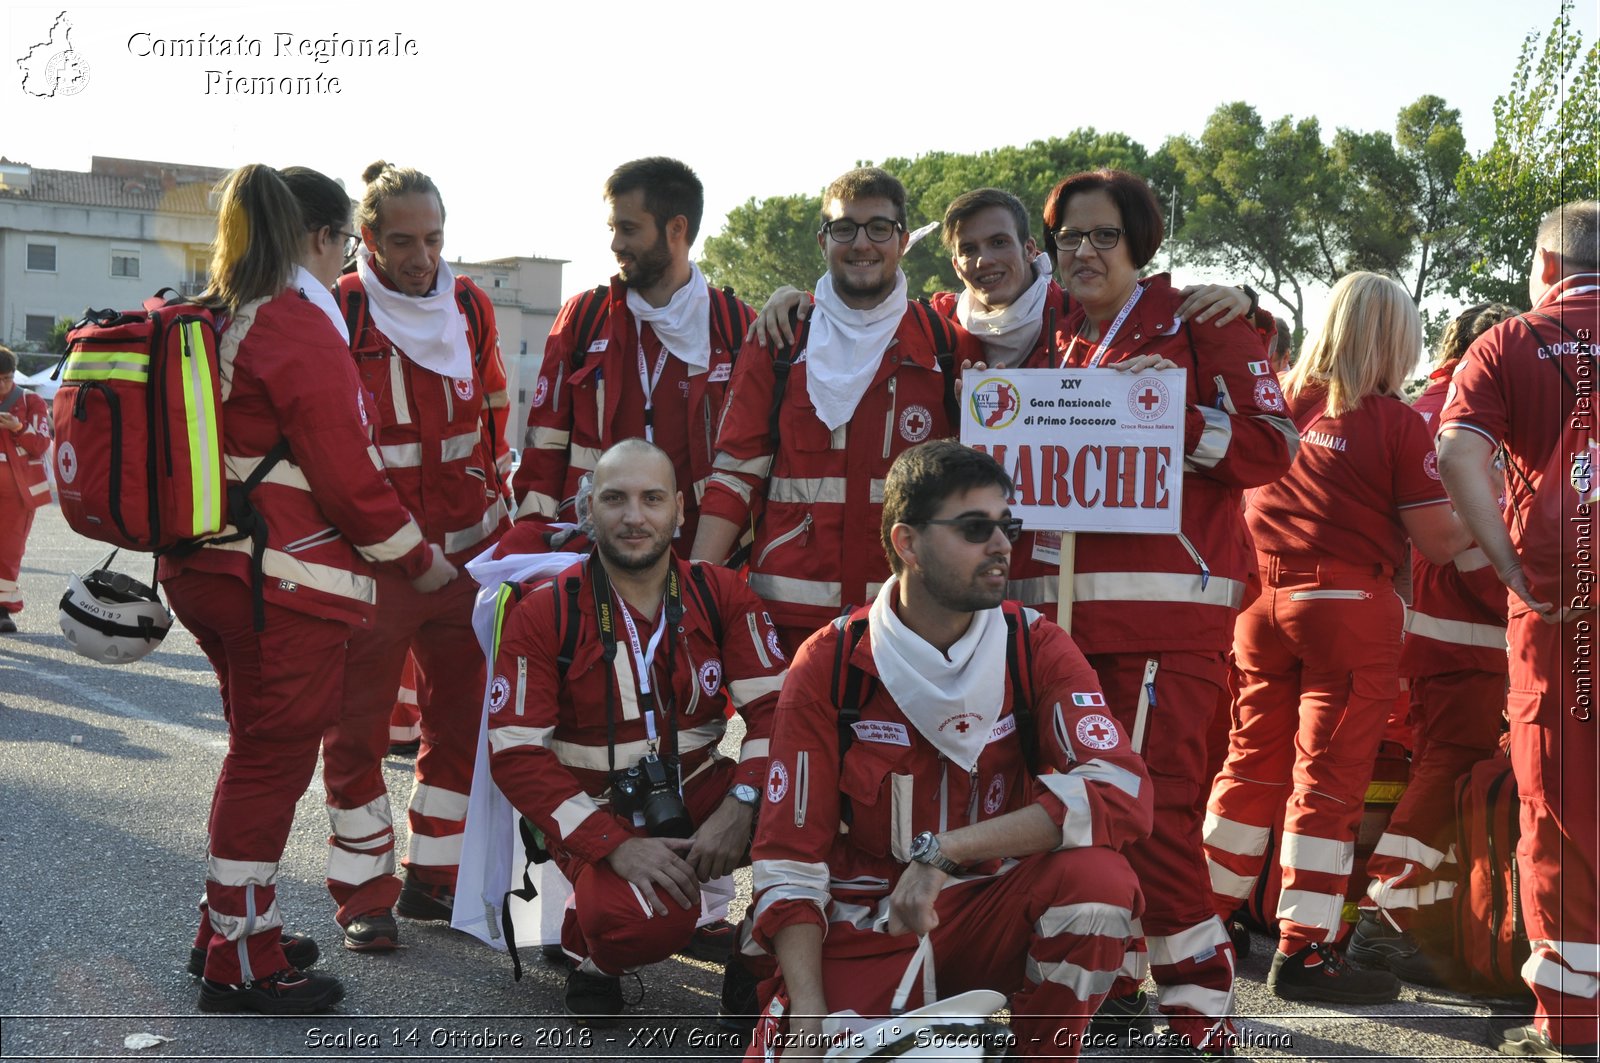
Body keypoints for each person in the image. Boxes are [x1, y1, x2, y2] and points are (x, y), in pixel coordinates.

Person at [745, 440, 1151, 1061]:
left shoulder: (1035, 647)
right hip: (874, 923)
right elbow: (788, 860)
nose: (1000, 545)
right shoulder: (830, 663)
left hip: (993, 912)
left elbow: (1119, 790)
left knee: (1097, 885)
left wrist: (945, 854)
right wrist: (809, 1014)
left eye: (1006, 526)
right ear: (907, 543)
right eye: (974, 528)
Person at [161, 163, 456, 1013]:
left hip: (211, 570)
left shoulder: (226, 309)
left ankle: (230, 928)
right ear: (325, 238)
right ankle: (239, 960)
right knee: (268, 759)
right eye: (341, 252)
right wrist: (418, 559)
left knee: (255, 751)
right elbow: (348, 474)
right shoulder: (295, 320)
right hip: (276, 582)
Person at [1035, 169, 1298, 1057]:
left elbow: (1274, 447)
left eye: (1103, 234)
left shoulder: (1204, 321)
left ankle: (1203, 1018)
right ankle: (1099, 997)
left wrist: (1175, 415)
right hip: (1058, 632)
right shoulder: (1054, 333)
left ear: (1139, 242)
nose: (1083, 250)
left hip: (1163, 632)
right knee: (1074, 820)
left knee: (1155, 823)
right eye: (1069, 236)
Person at [748, 187, 1256, 612]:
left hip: (1129, 596)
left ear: (1031, 249)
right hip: (1002, 591)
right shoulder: (942, 328)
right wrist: (800, 301)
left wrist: (1245, 302)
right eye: (969, 249)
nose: (984, 260)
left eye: (998, 243)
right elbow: (863, 314)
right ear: (954, 263)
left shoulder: (1073, 317)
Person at [1201, 272, 1474, 1006]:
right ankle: (1308, 950)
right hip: (1347, 606)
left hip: (1259, 603)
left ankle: (1207, 921)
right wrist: (1497, 506)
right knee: (1327, 784)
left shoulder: (1281, 400)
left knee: (1248, 766)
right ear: (1393, 339)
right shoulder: (1393, 421)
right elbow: (1440, 542)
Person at [487, 438, 785, 1022]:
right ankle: (597, 950)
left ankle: (755, 956)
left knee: (831, 811)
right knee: (639, 922)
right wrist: (613, 846)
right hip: (599, 808)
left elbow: (780, 713)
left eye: (651, 499)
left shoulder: (718, 592)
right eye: (614, 499)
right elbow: (516, 755)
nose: (633, 516)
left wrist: (743, 802)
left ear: (678, 509)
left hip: (700, 793)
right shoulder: (544, 611)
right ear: (587, 510)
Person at [320, 161, 512, 951]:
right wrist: (396, 548)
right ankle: (364, 891)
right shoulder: (340, 312)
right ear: (366, 238)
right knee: (356, 733)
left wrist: (506, 528)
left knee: (462, 727)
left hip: (467, 561)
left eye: (433, 239)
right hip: (377, 568)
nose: (422, 257)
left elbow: (496, 413)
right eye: (402, 241)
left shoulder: (468, 304)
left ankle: (434, 877)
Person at [690, 166, 983, 653]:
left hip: (904, 620)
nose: (862, 243)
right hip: (786, 621)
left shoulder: (943, 345)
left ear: (903, 240)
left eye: (879, 228)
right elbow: (735, 474)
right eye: (844, 228)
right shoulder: (779, 339)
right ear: (823, 241)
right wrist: (696, 587)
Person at [1438, 200, 1600, 1061]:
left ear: (1543, 266)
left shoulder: (1511, 341)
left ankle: (1570, 1025)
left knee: (1563, 803)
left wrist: (1506, 564)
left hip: (1564, 600)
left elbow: (1458, 450)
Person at [1348, 301, 1517, 984]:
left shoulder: (1424, 405)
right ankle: (1385, 917)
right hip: (1467, 632)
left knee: (1434, 775)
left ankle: (1416, 918)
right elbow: (1475, 540)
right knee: (1447, 771)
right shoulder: (1480, 417)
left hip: (1418, 627)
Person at [512, 157, 752, 551]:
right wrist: (537, 547)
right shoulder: (584, 318)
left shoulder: (736, 327)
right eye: (612, 228)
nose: (615, 244)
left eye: (629, 229)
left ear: (677, 229)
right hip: (590, 555)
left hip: (698, 558)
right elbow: (543, 450)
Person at [0, 345, 51, 632]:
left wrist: (18, 427)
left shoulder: (31, 401)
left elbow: (41, 445)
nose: (3, 385)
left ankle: (3, 609)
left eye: (7, 378)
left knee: (8, 550)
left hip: (18, 491)